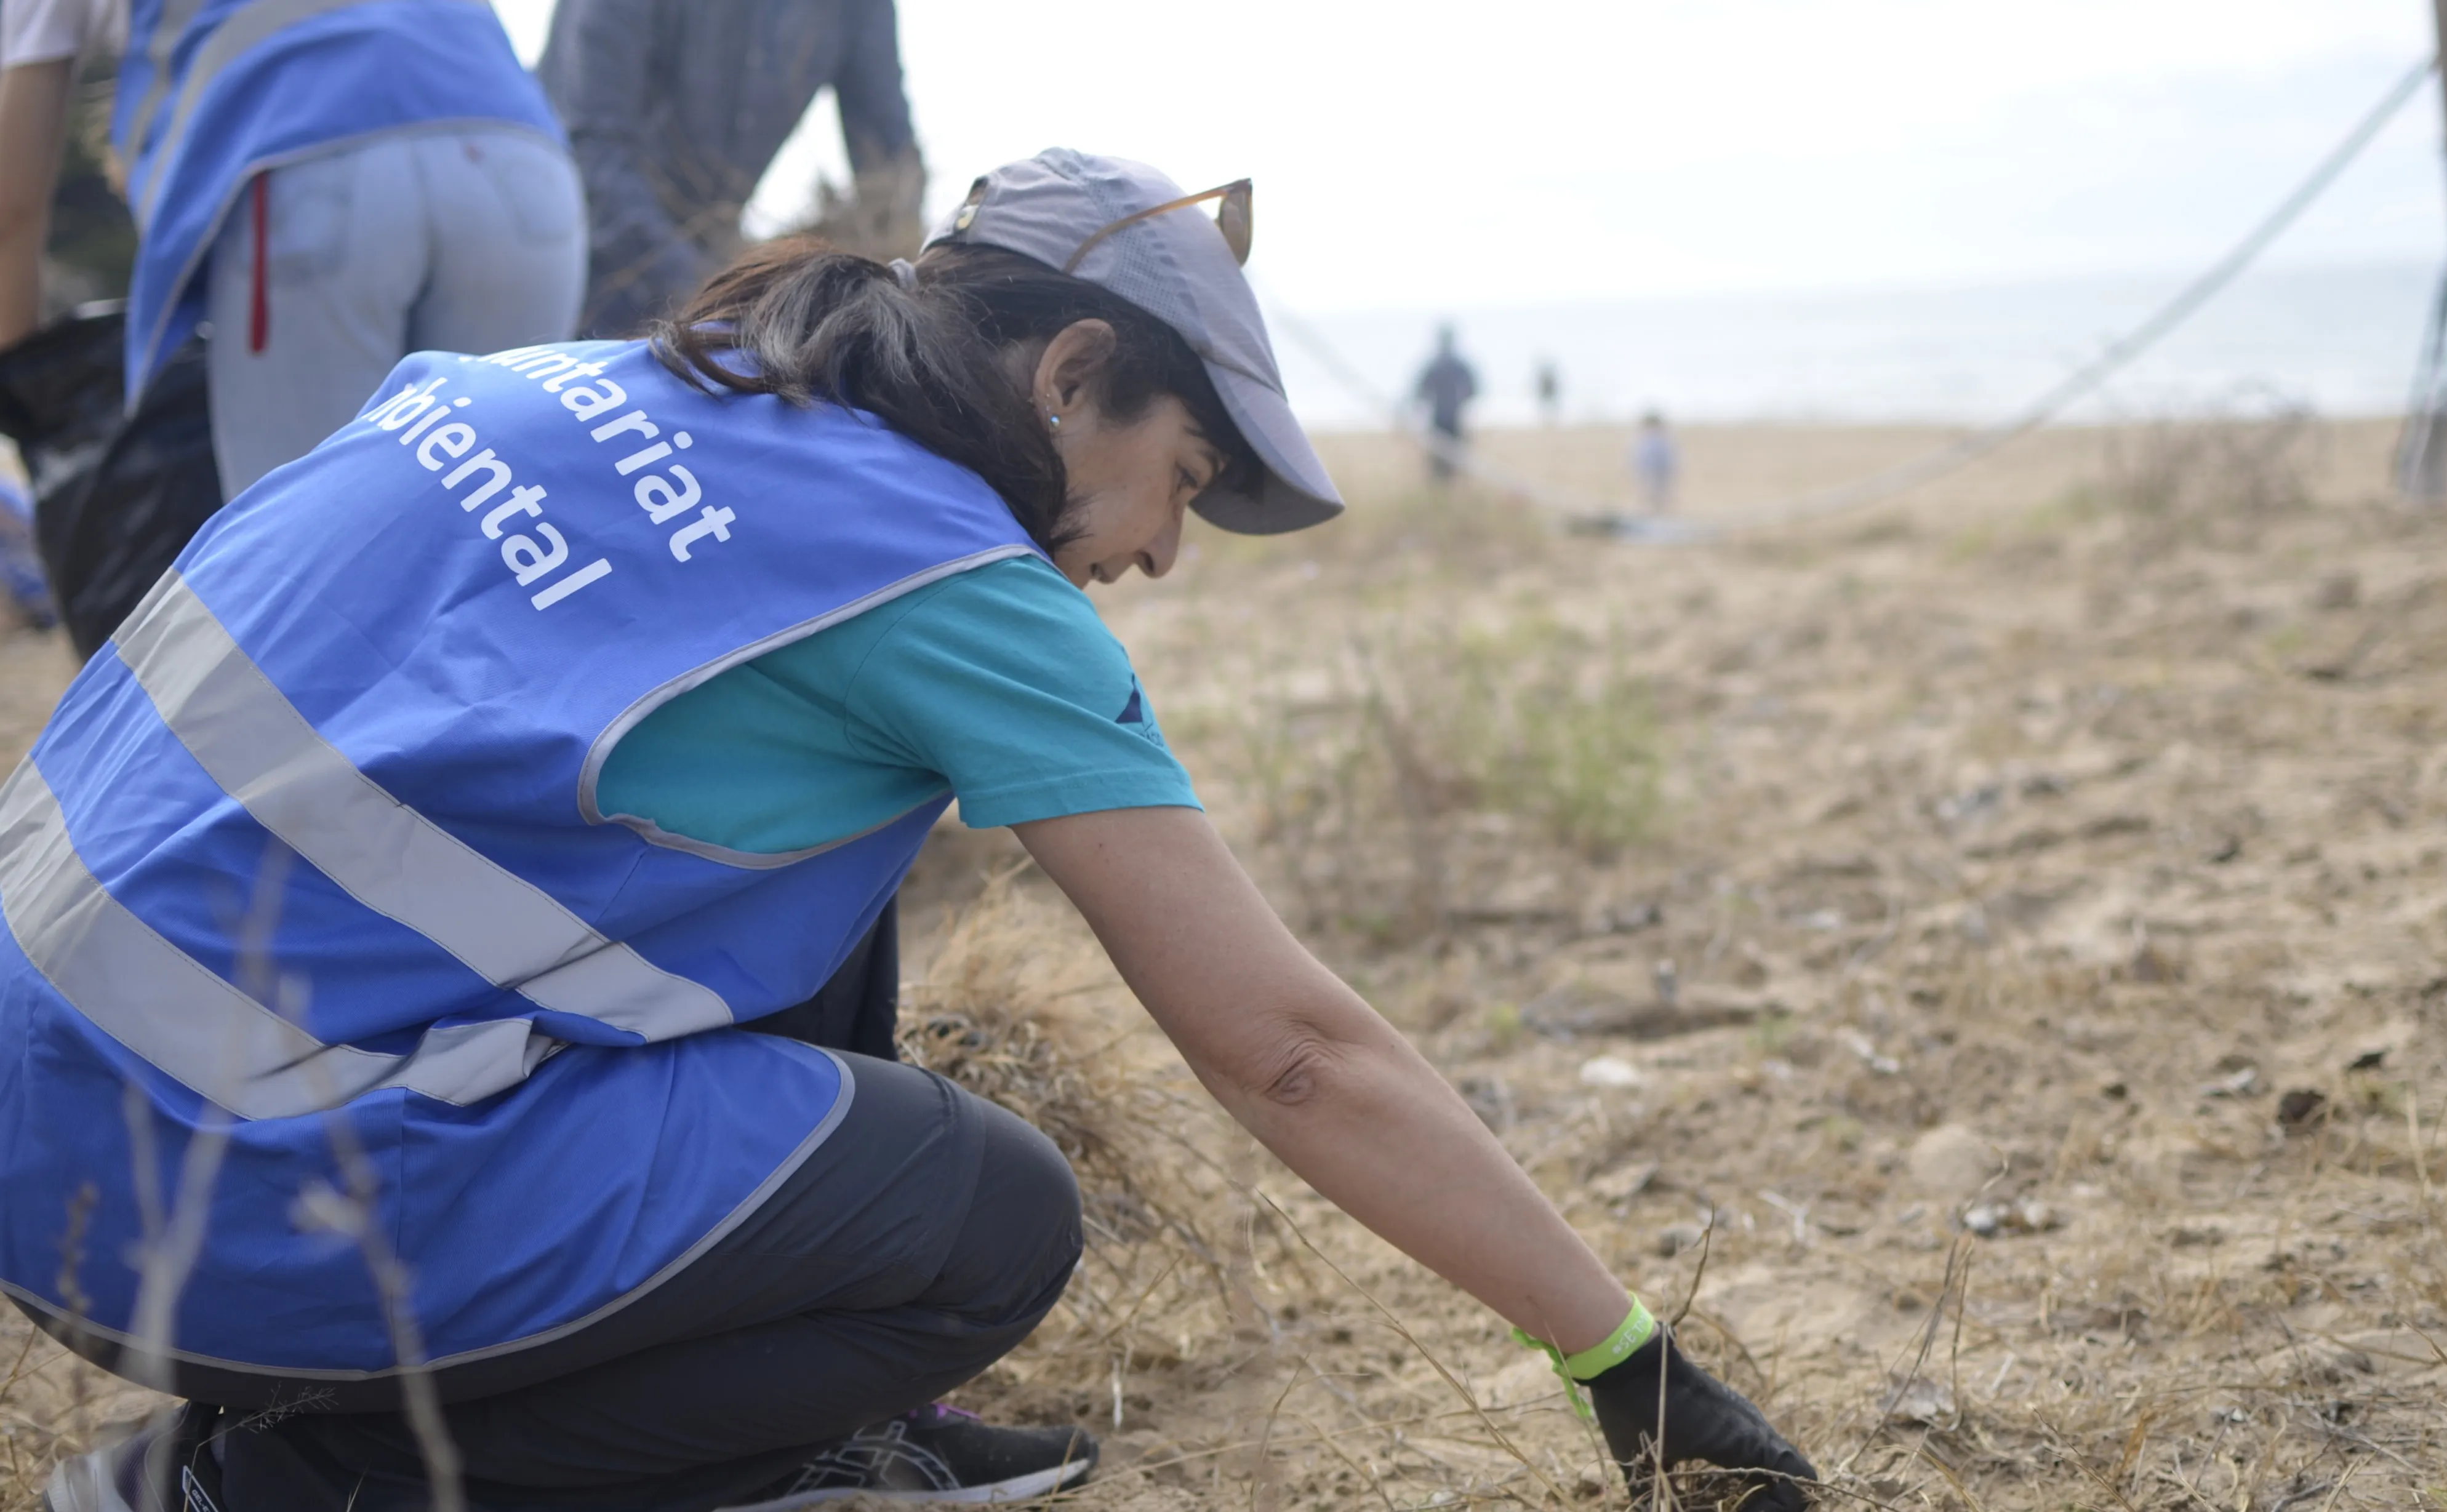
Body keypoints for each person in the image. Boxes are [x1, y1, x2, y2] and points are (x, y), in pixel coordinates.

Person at [6, 149, 1817, 1512]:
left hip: (45, 1109)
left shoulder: (570, 385)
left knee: (818, 848)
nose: (1162, 556)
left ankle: (783, 1432)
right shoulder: (951, 577)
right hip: (218, 1208)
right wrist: (1623, 1358)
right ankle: (236, 1489)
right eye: (1179, 479)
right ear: (1070, 371)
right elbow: (1290, 1056)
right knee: (985, 1222)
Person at [0, 0, 587, 502]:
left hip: (309, 164)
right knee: (496, 525)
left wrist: (33, 397)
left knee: (309, 545)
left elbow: (13, 207)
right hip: (523, 159)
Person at [539, 0, 927, 339]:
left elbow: (890, 161)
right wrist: (717, 290)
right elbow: (592, 146)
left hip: (706, 277)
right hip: (557, 252)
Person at [1412, 321, 1477, 484]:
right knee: (1446, 461)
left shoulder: (1439, 365)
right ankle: (1444, 489)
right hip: (1448, 419)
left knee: (1444, 462)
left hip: (1445, 420)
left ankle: (1443, 489)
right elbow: (1472, 390)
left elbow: (1420, 392)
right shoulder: (1456, 365)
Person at [1633, 409, 1679, 513]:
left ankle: (1659, 512)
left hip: (1661, 474)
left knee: (1660, 496)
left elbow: (1670, 461)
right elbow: (1639, 461)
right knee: (1649, 496)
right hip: (1649, 475)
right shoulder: (1643, 442)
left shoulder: (1664, 441)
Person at [1535, 357, 1560, 425]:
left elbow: (1553, 387)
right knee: (1546, 408)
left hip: (1549, 395)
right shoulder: (1546, 379)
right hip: (1546, 395)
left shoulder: (1548, 379)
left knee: (1550, 408)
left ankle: (1551, 421)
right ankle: (1546, 421)